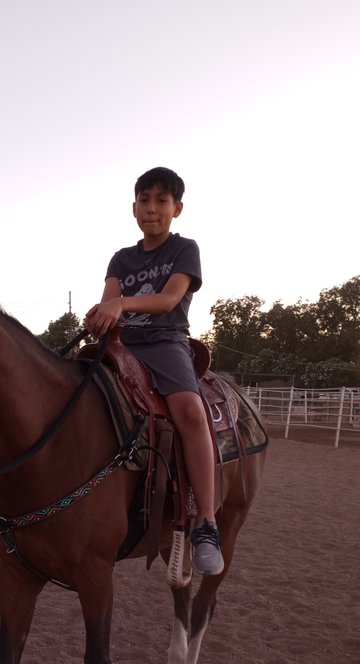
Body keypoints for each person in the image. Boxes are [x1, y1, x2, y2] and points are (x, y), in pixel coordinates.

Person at [84, 166, 224, 576]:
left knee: (190, 411)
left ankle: (206, 522)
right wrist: (99, 317)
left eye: (161, 200)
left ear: (176, 208)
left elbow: (167, 300)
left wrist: (122, 304)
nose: (151, 208)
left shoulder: (185, 249)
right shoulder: (121, 258)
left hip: (165, 342)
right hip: (122, 346)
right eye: (144, 200)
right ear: (133, 208)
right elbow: (109, 302)